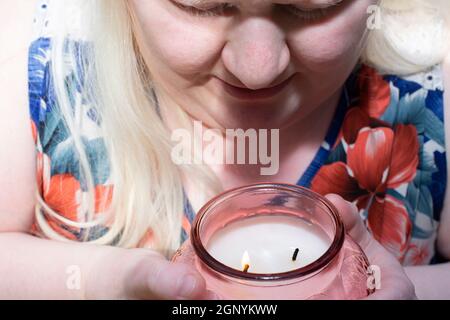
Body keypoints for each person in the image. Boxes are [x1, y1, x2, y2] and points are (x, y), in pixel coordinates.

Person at [0, 0, 449, 300]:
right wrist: (104, 281)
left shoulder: (428, 104)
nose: (257, 69)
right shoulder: (45, 80)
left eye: (311, 6)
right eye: (203, 4)